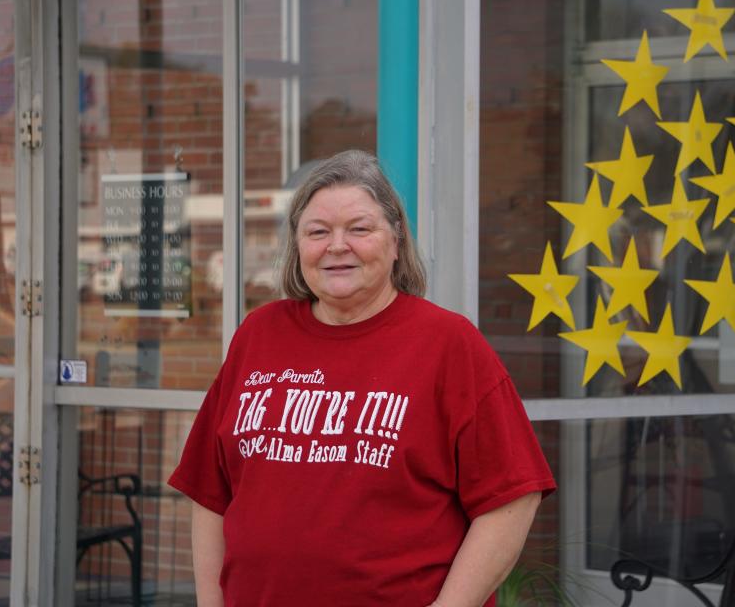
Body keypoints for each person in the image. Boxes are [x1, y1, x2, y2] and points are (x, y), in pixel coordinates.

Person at [169, 150, 556, 606]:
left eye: (359, 228)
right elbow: (210, 492)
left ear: (395, 242)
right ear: (297, 246)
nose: (337, 246)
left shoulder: (448, 344)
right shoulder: (259, 334)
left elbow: (510, 500)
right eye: (317, 232)